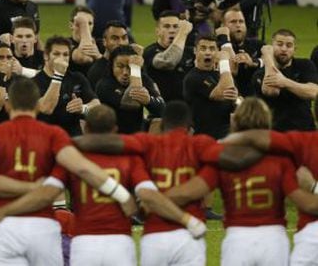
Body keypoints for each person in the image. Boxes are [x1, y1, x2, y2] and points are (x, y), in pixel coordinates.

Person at [0, 77, 136, 265]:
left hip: (6, 227)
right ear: (38, 106)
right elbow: (84, 169)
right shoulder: (53, 135)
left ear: (8, 106)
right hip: (44, 228)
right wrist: (121, 194)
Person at [0, 104, 206, 266]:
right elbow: (149, 195)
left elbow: (46, 195)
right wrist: (184, 218)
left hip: (84, 243)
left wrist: (5, 210)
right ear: (115, 129)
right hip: (120, 242)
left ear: (87, 129)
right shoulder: (130, 160)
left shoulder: (71, 161)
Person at [73, 100, 262, 266]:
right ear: (190, 127)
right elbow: (229, 157)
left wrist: (70, 144)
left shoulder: (147, 143)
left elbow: (111, 142)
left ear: (162, 124)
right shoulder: (200, 144)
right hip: (189, 235)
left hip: (154, 237)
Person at [167, 97, 318, 266]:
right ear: (267, 121)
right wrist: (313, 188)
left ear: (235, 121)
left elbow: (190, 192)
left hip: (237, 239)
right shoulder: (281, 159)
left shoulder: (222, 159)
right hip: (274, 239)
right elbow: (303, 201)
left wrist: (155, 198)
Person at [221, 98, 318, 266]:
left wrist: (225, 142)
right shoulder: (285, 157)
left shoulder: (299, 144)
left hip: (239, 239)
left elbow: (258, 136)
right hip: (275, 239)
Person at [252, 29, 318, 131]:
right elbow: (271, 91)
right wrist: (268, 57)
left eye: (289, 45)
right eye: (279, 44)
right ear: (272, 47)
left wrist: (284, 82)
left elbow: (313, 92)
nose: (284, 49)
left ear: (294, 49)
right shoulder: (260, 74)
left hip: (305, 131)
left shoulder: (305, 65)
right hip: (275, 134)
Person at [33, 36, 100, 136]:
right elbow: (46, 108)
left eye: (65, 55)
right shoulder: (34, 82)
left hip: (73, 138)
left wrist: (82, 108)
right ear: (46, 56)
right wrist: (58, 75)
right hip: (46, 138)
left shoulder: (77, 78)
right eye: (56, 54)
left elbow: (97, 106)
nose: (62, 58)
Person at [96, 45, 164, 134]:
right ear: (112, 67)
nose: (125, 72)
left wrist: (149, 101)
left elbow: (163, 108)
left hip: (137, 134)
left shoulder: (143, 79)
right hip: (111, 136)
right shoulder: (104, 84)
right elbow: (131, 104)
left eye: (129, 67)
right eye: (120, 66)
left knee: (159, 122)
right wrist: (135, 69)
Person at [183, 35, 238, 139]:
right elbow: (222, 94)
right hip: (203, 138)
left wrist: (236, 100)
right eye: (203, 48)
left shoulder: (222, 75)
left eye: (212, 49)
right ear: (195, 51)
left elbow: (235, 99)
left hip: (225, 136)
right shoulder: (193, 77)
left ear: (217, 52)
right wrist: (224, 61)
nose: (208, 52)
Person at [143, 12, 194, 102]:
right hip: (163, 111)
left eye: (176, 27)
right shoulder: (150, 52)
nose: (172, 30)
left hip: (189, 109)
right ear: (157, 31)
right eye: (166, 26)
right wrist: (182, 33)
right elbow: (169, 61)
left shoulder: (189, 52)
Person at [217, 7, 264, 96]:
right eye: (233, 22)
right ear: (223, 26)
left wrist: (254, 62)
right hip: (227, 98)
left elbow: (272, 61)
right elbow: (233, 69)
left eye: (241, 21)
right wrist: (225, 40)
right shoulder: (216, 46)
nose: (238, 25)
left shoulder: (257, 45)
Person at [86, 20, 131, 89]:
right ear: (104, 42)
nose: (121, 43)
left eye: (124, 38)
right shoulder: (97, 72)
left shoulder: (134, 64)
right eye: (115, 38)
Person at [68, 6, 102, 76]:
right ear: (71, 25)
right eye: (79, 23)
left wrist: (99, 57)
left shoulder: (101, 44)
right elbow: (84, 58)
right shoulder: (65, 44)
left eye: (89, 24)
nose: (86, 27)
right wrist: (83, 24)